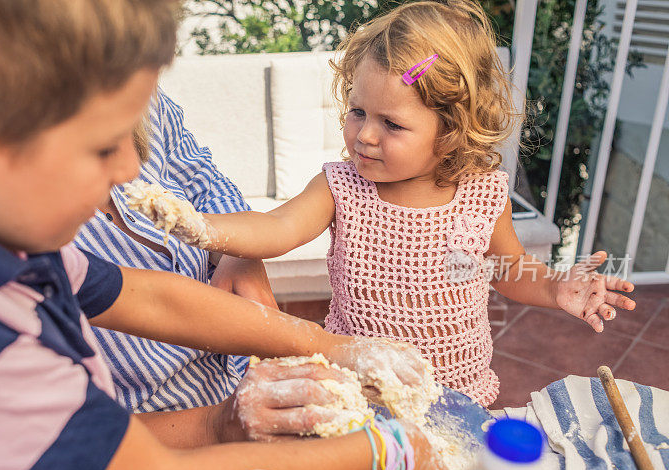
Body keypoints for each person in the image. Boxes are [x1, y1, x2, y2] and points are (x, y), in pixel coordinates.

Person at [0, 1, 444, 470]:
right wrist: (386, 453)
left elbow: (150, 297)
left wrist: (332, 345)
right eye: (105, 146)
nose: (131, 168)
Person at [150, 0, 637, 407]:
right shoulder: (342, 188)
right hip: (361, 387)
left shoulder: (481, 194)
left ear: (450, 132)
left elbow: (508, 270)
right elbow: (277, 228)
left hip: (455, 393)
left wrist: (555, 289)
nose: (364, 134)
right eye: (357, 111)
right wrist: (196, 224)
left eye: (392, 124)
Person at [74, 90, 275, 413]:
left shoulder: (139, 93)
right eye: (105, 144)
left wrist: (238, 251)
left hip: (238, 381)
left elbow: (204, 180)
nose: (131, 172)